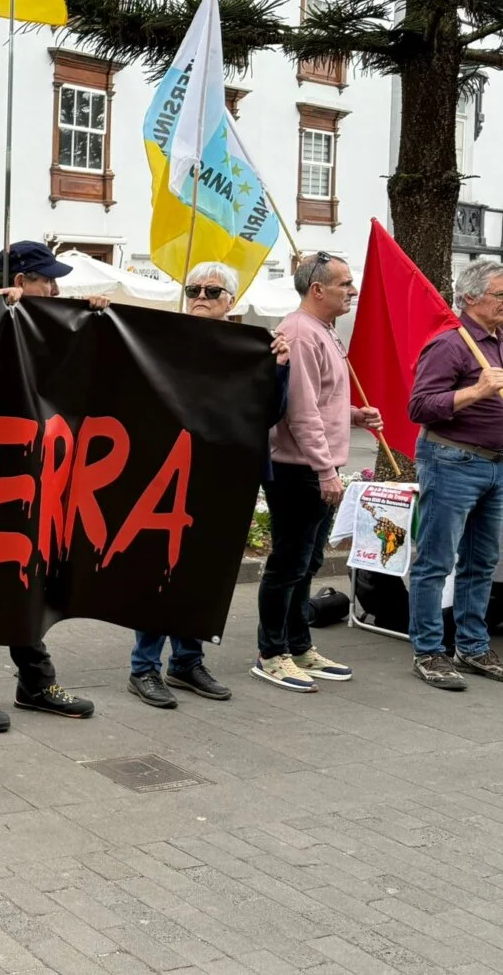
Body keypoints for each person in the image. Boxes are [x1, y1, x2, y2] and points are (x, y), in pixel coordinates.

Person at [0, 240, 106, 731]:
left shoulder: (42, 322)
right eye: (48, 282)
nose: (56, 291)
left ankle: (36, 682)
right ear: (20, 282)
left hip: (33, 469)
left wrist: (91, 316)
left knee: (28, 571)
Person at [128, 262, 290, 708]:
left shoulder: (252, 347)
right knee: (161, 567)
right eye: (193, 289)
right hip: (167, 472)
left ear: (231, 301)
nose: (200, 296)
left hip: (223, 472)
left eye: (212, 291)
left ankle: (187, 660)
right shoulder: (164, 339)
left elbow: (270, 412)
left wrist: (278, 366)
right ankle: (144, 667)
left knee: (203, 570)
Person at [255, 252, 382, 690]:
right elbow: (300, 411)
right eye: (345, 283)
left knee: (307, 563)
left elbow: (321, 402)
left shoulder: (321, 330)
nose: (352, 290)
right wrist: (325, 469)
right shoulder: (299, 332)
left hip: (313, 465)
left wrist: (353, 415)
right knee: (288, 564)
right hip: (298, 469)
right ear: (317, 289)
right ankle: (271, 653)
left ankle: (298, 645)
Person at [407, 260, 503, 689]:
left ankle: (472, 646)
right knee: (436, 561)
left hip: (495, 464)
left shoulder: (499, 342)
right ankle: (429, 651)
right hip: (452, 461)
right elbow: (419, 407)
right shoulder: (450, 344)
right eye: (500, 295)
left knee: (482, 562)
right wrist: (477, 391)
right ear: (470, 298)